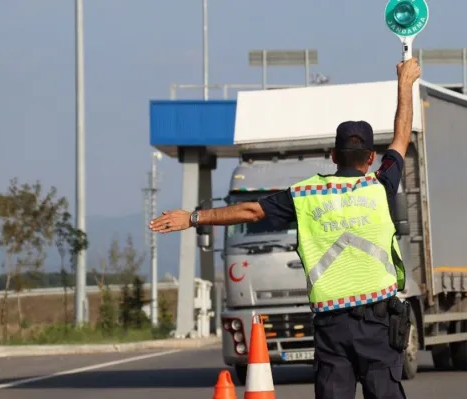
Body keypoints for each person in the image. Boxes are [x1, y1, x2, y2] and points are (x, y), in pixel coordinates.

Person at [150, 57, 422, 399]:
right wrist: (405, 83)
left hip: (332, 328)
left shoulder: (306, 195)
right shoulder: (380, 187)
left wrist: (192, 218)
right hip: (378, 326)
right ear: (370, 158)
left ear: (333, 156)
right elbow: (400, 136)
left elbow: (250, 211)